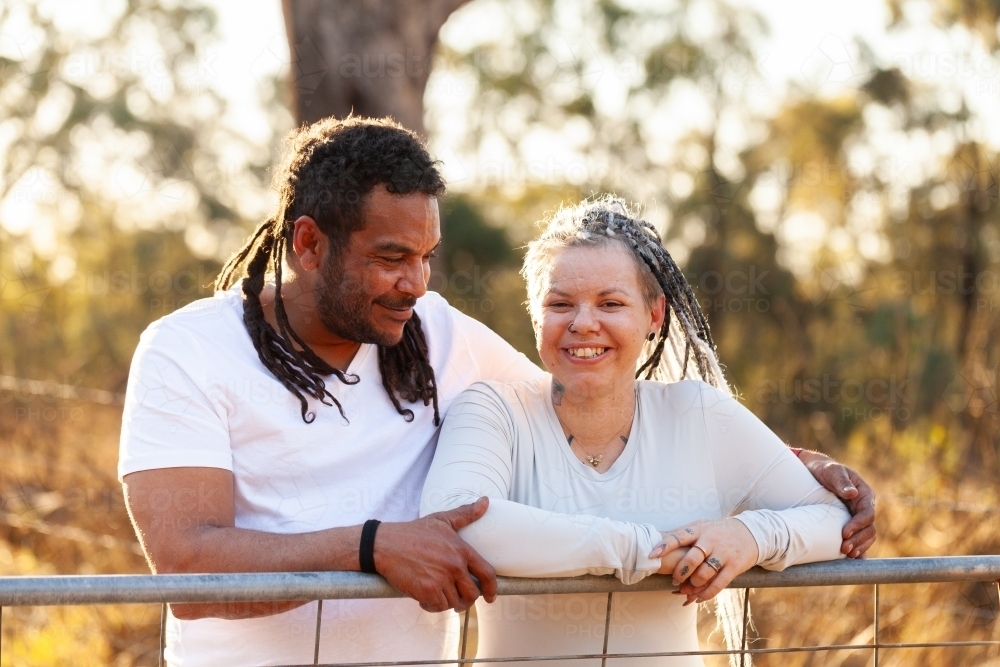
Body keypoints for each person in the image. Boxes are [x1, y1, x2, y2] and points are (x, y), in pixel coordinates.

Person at [118, 116, 874, 666]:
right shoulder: (187, 351)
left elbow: (584, 398)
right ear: (310, 243)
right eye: (390, 257)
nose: (415, 282)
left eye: (425, 256)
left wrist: (792, 468)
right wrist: (375, 546)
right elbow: (190, 570)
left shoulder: (435, 333)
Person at [420, 196, 856, 666]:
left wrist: (749, 536)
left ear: (654, 315)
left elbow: (835, 519)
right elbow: (458, 524)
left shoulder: (697, 413)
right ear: (535, 315)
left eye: (611, 303)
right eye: (560, 303)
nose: (584, 324)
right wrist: (647, 552)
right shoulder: (492, 410)